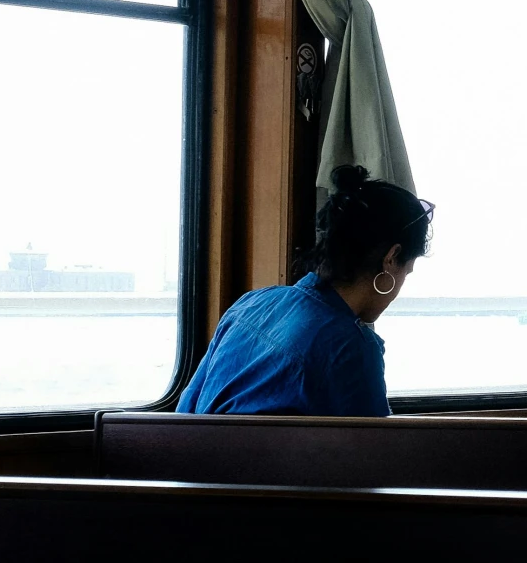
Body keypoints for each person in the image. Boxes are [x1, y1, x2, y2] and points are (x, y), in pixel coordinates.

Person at [178, 164, 433, 416]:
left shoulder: (252, 303)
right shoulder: (349, 348)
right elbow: (373, 452)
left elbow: (186, 411)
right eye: (406, 272)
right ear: (392, 257)